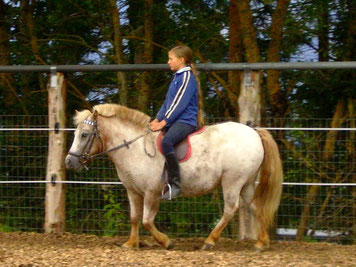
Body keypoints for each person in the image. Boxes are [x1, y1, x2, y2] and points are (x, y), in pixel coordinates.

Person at [150, 45, 204, 200]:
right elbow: (168, 102)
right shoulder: (177, 77)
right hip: (174, 119)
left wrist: (164, 122)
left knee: (167, 142)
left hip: (185, 121)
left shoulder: (187, 78)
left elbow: (179, 104)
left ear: (181, 60)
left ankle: (175, 184)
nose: (168, 62)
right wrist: (157, 118)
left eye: (171, 59)